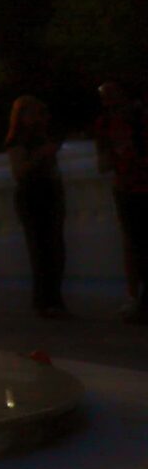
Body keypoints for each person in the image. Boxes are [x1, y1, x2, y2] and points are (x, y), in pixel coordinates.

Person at [6, 95, 68, 320]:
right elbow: (19, 172)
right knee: (41, 248)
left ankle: (53, 299)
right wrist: (42, 155)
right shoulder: (19, 140)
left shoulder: (43, 136)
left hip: (50, 192)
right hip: (32, 195)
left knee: (56, 249)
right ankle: (46, 300)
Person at [94, 79, 148, 324]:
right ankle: (135, 297)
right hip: (126, 188)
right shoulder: (105, 124)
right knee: (133, 244)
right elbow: (103, 161)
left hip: (139, 186)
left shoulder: (140, 119)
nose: (109, 102)